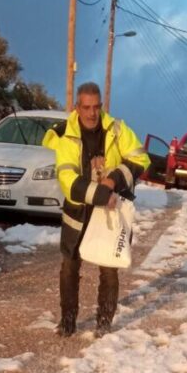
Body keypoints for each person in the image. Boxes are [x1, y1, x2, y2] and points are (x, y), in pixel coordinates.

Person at [44, 82, 150, 337]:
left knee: (109, 266)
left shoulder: (117, 128)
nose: (92, 113)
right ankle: (68, 320)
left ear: (101, 106)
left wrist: (113, 179)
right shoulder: (65, 134)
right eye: (86, 107)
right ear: (76, 107)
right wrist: (100, 193)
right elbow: (68, 180)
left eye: (96, 107)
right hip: (79, 209)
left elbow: (140, 159)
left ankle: (105, 321)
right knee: (69, 265)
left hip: (110, 211)